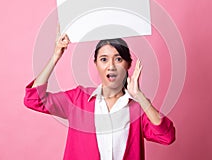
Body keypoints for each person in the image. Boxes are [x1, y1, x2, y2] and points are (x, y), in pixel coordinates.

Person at [24, 27, 175, 160]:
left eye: (118, 59)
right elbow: (33, 99)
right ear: (95, 63)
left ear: (128, 64)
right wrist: (56, 56)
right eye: (104, 59)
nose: (111, 66)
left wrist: (140, 96)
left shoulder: (138, 108)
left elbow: (167, 137)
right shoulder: (78, 99)